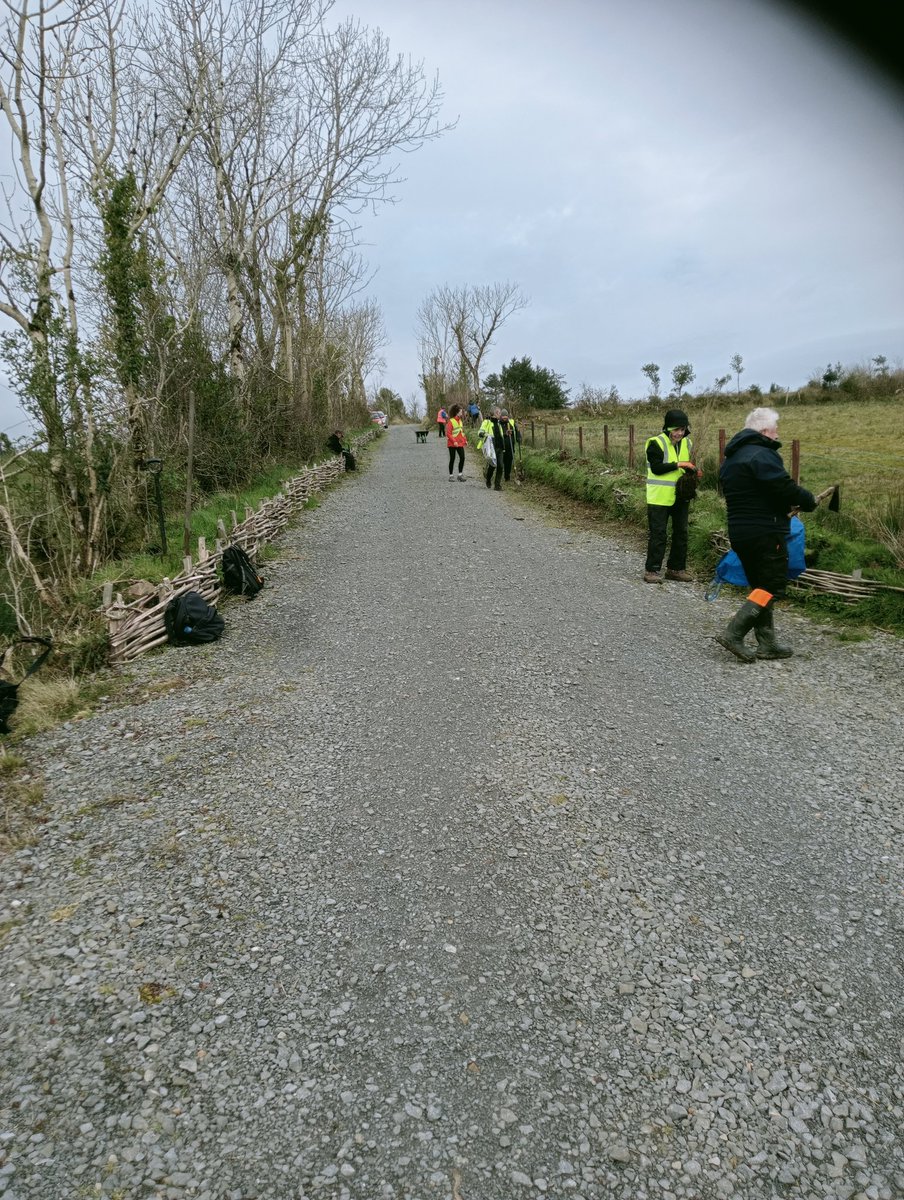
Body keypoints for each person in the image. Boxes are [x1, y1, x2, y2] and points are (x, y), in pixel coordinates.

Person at [716, 406, 816, 661]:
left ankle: (767, 642)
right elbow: (783, 487)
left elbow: (753, 492)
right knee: (771, 585)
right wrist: (807, 500)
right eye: (774, 430)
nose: (777, 435)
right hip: (765, 531)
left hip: (739, 532)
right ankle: (733, 634)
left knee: (760, 586)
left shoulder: (731, 459)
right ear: (763, 431)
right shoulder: (763, 455)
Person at [644, 408, 699, 583]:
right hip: (659, 497)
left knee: (681, 533)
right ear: (668, 428)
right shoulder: (655, 443)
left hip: (681, 496)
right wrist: (679, 464)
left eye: (683, 429)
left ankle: (675, 569)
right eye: (676, 429)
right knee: (659, 534)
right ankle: (652, 571)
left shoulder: (687, 443)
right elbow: (657, 468)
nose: (680, 433)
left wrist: (694, 471)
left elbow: (687, 465)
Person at [476, 407, 506, 490]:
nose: (500, 414)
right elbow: (480, 431)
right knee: (492, 466)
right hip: (492, 448)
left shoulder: (499, 423)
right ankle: (488, 479)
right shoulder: (487, 422)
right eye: (499, 412)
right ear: (495, 413)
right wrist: (482, 433)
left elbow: (500, 435)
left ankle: (497, 485)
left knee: (500, 466)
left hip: (500, 447)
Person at [445, 403, 467, 482]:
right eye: (460, 412)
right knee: (452, 459)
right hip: (452, 444)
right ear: (456, 412)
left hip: (459, 443)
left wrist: (465, 440)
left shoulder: (460, 421)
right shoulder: (451, 421)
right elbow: (448, 433)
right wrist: (454, 441)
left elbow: (461, 432)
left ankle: (460, 475)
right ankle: (451, 476)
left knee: (462, 457)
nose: (462, 413)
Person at [499, 409, 518, 482]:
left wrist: (519, 437)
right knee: (502, 462)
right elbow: (498, 434)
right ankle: (500, 475)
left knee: (509, 462)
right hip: (502, 447)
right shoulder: (498, 424)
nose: (505, 418)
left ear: (507, 416)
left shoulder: (511, 423)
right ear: (501, 416)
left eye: (506, 416)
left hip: (510, 446)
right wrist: (505, 434)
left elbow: (517, 430)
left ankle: (507, 477)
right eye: (503, 416)